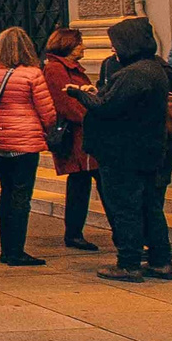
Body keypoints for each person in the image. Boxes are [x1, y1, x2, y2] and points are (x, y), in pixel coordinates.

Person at [73, 17, 172, 282]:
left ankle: (129, 263)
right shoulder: (154, 69)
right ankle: (160, 261)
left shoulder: (135, 73)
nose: (113, 49)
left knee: (127, 208)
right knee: (150, 207)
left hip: (124, 152)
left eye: (115, 44)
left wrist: (80, 95)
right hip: (146, 148)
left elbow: (106, 106)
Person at [0, 27, 57, 266]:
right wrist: (49, 128)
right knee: (21, 195)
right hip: (25, 141)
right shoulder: (33, 74)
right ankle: (15, 250)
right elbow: (47, 111)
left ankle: (6, 247)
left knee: (7, 192)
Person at [40, 27, 101, 251]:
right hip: (77, 137)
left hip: (83, 136)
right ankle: (75, 233)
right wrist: (93, 116)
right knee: (82, 183)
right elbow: (65, 103)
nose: (83, 47)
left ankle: (75, 232)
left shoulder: (64, 68)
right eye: (79, 43)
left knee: (83, 184)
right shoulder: (57, 70)